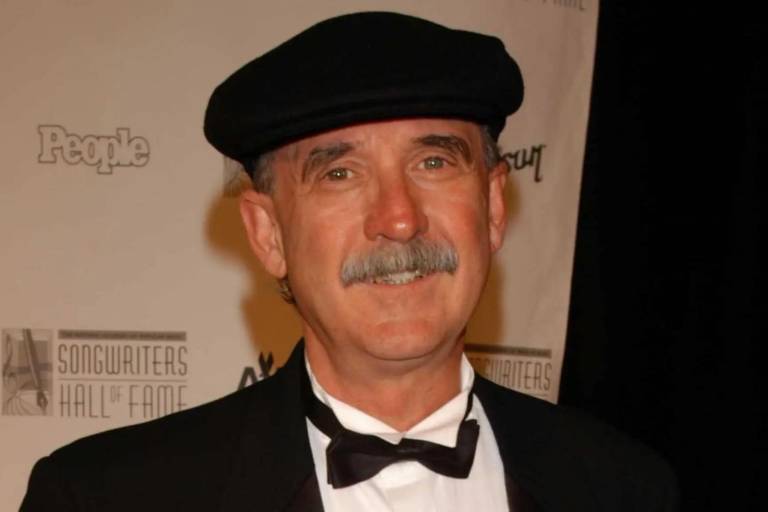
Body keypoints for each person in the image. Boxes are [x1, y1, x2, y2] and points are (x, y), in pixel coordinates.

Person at [21, 11, 677, 512]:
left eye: (433, 162)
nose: (399, 217)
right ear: (268, 233)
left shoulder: (625, 489)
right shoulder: (107, 496)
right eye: (339, 174)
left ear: (494, 206)